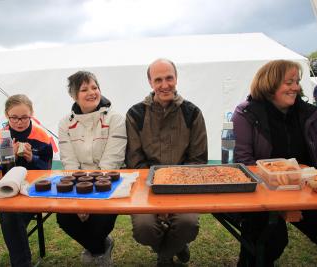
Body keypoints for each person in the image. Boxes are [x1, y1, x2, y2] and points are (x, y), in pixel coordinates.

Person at [232, 59, 317, 267]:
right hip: (263, 193)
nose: (296, 87)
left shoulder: (311, 114)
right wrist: (274, 183)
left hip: (310, 193)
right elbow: (244, 162)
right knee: (269, 240)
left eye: (297, 81)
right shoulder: (246, 114)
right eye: (289, 82)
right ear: (270, 83)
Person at [125, 58, 208, 266]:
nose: (165, 85)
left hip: (184, 187)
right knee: (143, 229)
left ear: (176, 78)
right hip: (146, 188)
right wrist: (157, 193)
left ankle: (165, 255)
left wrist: (172, 194)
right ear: (150, 83)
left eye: (169, 78)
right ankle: (176, 246)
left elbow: (198, 160)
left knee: (188, 224)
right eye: (158, 79)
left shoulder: (192, 113)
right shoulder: (135, 114)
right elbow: (135, 161)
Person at [57, 70, 127, 266]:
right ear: (73, 95)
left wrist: (89, 199)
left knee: (99, 221)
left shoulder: (115, 119)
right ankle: (101, 248)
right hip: (77, 185)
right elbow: (70, 164)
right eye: (84, 89)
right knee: (64, 218)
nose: (92, 92)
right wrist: (80, 198)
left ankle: (96, 250)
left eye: (95, 87)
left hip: (109, 183)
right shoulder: (65, 124)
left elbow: (111, 161)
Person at [0, 94, 53, 267]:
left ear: (32, 114)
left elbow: (48, 171)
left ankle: (21, 263)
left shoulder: (41, 136)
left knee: (10, 216)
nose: (19, 122)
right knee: (10, 213)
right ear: (6, 115)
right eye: (14, 118)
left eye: (24, 117)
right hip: (7, 189)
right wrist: (7, 157)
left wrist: (32, 159)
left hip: (33, 190)